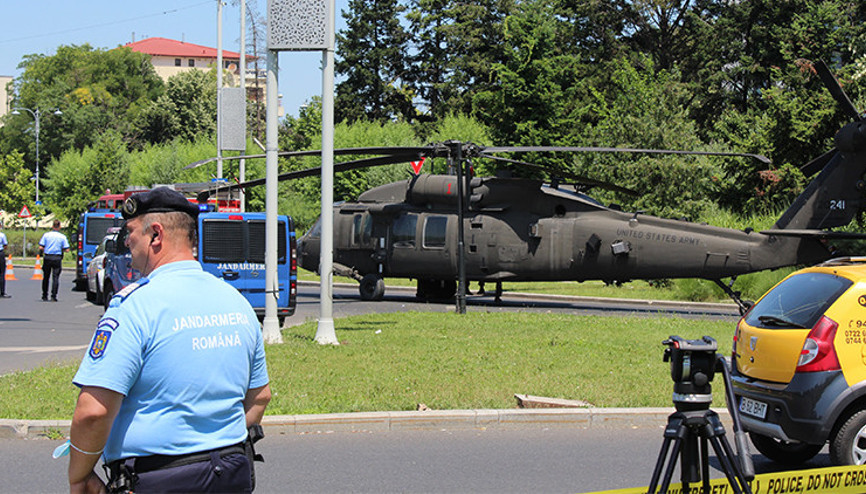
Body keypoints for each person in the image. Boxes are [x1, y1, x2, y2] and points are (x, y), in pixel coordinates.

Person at [66, 187, 271, 493]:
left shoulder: (133, 307)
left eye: (131, 231)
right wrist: (212, 441)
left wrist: (78, 476)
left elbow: (94, 411)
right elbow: (260, 396)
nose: (126, 241)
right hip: (231, 472)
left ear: (156, 235)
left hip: (158, 478)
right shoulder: (236, 301)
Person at [38, 219, 70, 301]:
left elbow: (41, 247)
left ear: (52, 226)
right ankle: (53, 296)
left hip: (48, 257)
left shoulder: (46, 235)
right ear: (59, 227)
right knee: (55, 277)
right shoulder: (62, 237)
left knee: (46, 277)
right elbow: (67, 249)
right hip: (57, 258)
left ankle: (44, 295)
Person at [0, 222, 9, 298]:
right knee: (2, 273)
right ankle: (2, 292)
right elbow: (5, 245)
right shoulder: (2, 235)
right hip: (0, 253)